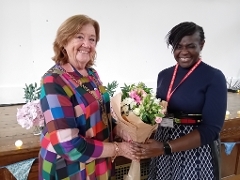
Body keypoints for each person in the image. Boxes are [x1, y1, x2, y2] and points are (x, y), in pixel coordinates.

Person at [38, 14, 133, 180]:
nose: (87, 44)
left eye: (92, 39)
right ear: (64, 41)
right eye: (79, 37)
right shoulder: (53, 80)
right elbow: (68, 146)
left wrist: (118, 129)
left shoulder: (91, 73)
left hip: (98, 159)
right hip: (69, 168)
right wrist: (119, 149)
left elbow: (100, 112)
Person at [130, 22, 227, 180]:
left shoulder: (214, 77)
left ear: (201, 45)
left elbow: (211, 129)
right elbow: (162, 116)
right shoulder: (164, 75)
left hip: (195, 150)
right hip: (162, 146)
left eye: (190, 46)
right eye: (178, 46)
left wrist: (166, 147)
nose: (184, 52)